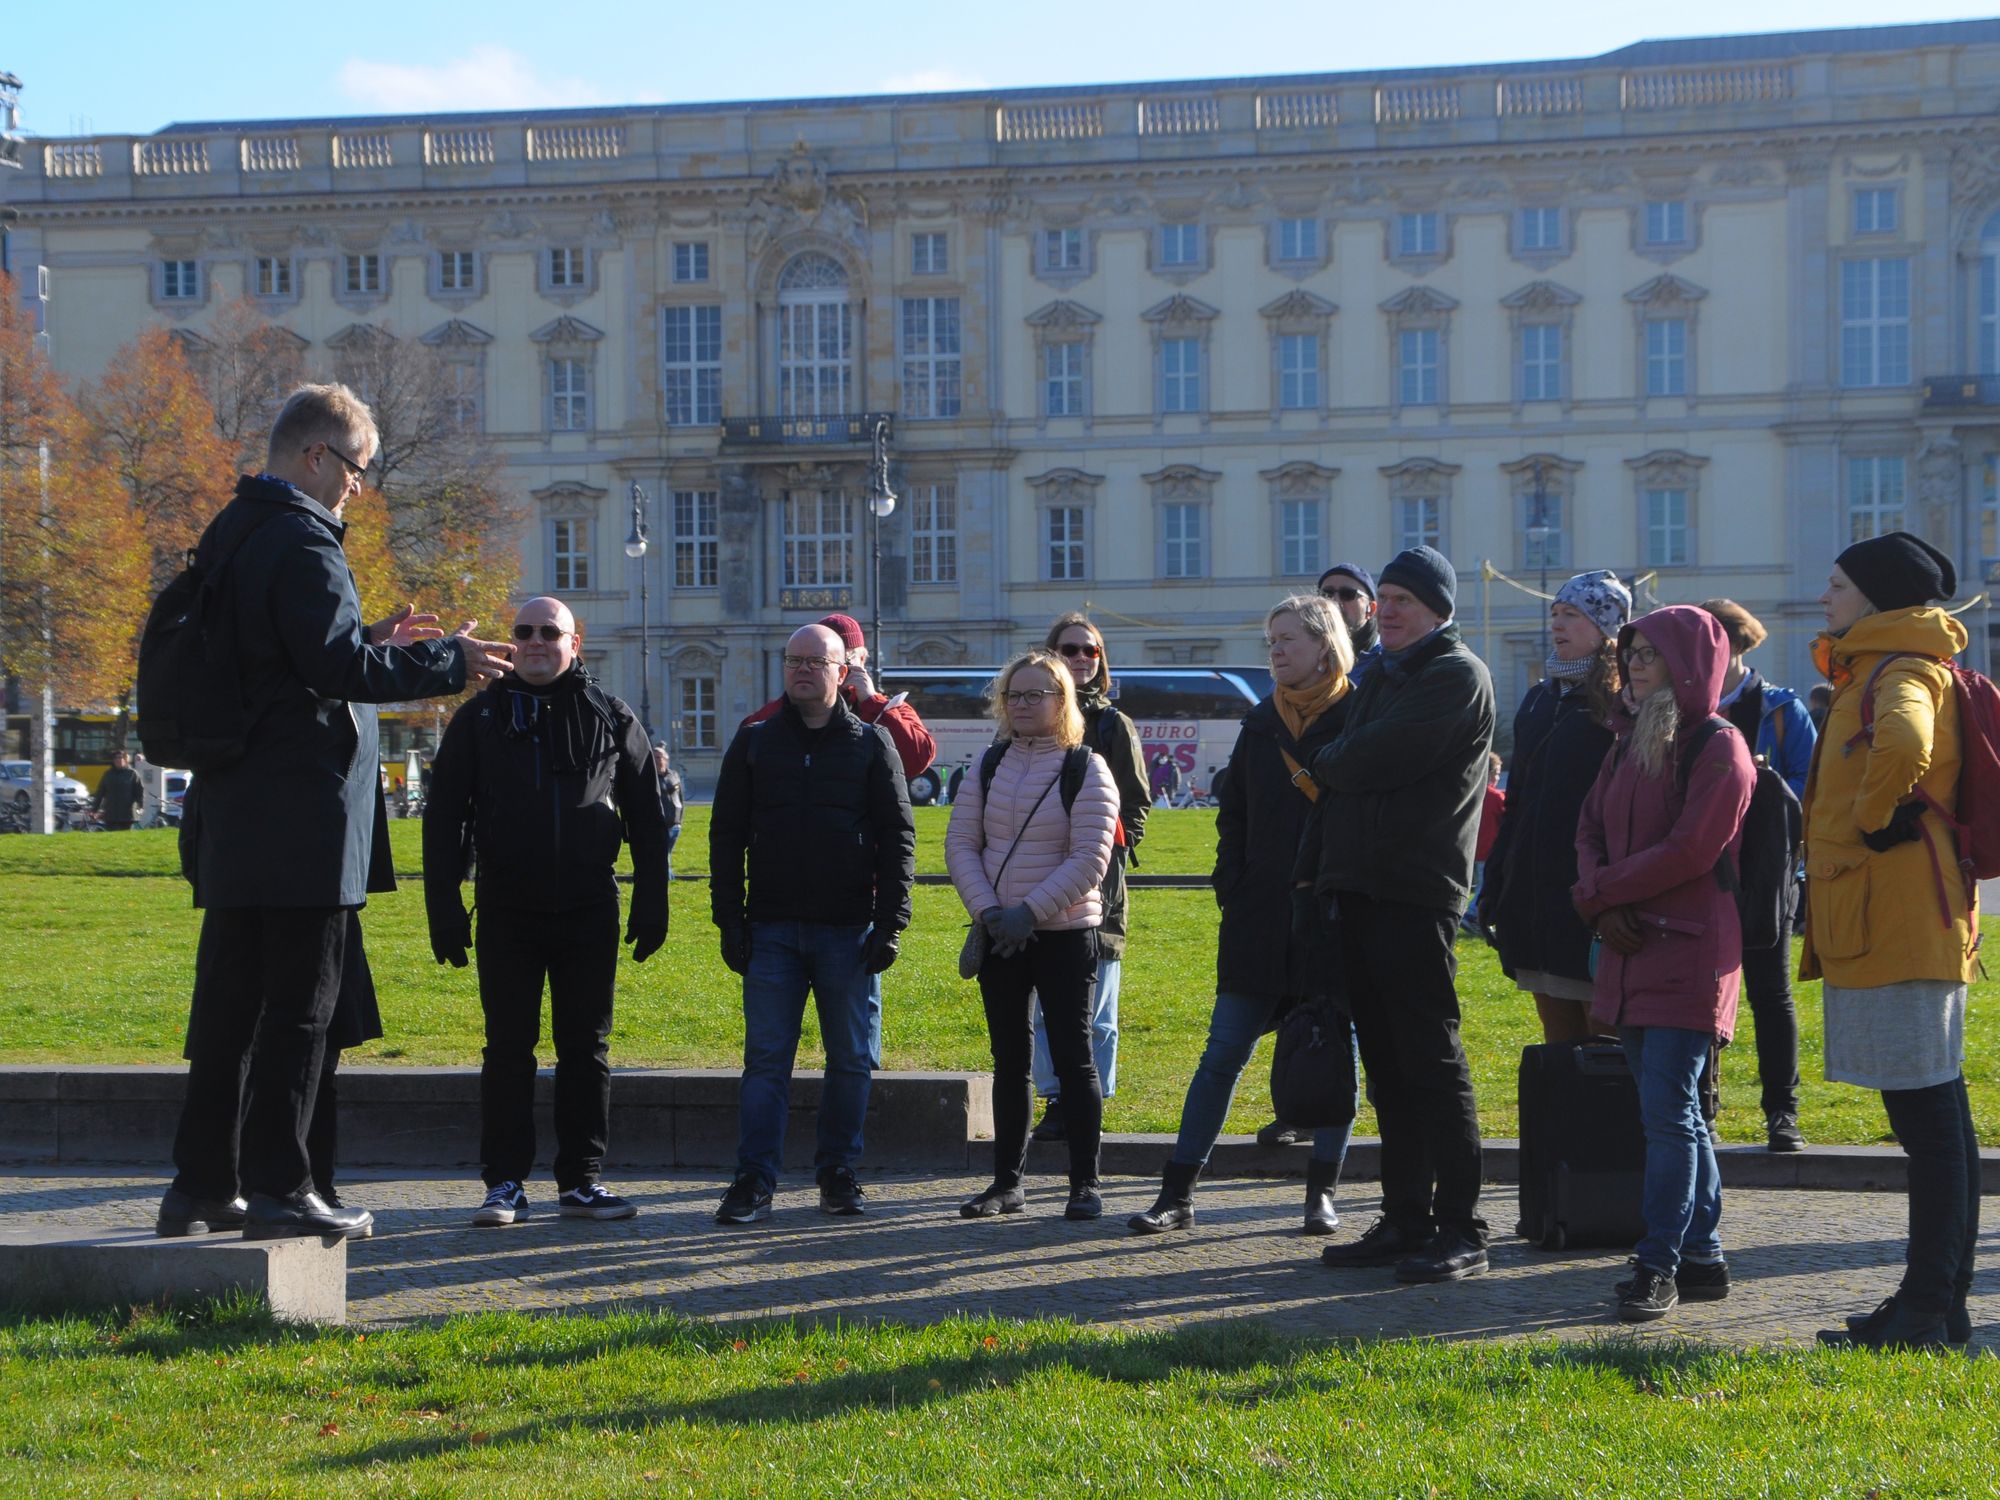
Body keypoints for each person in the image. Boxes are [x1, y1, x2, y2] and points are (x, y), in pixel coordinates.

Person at [156, 382, 511, 1243]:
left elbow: (288, 660)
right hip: (302, 821)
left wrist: (366, 646)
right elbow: (331, 670)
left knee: (228, 1011)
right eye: (355, 469)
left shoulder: (232, 530)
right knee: (301, 1010)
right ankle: (282, 1187)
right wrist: (441, 661)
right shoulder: (302, 539)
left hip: (238, 815)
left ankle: (202, 1185)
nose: (358, 487)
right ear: (316, 456)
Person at [424, 595, 669, 1227]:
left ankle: (581, 1180)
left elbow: (647, 815)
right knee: (508, 1048)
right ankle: (504, 1182)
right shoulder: (478, 719)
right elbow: (445, 818)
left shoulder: (611, 716)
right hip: (507, 907)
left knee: (586, 1048)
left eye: (549, 632)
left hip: (589, 906)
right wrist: (444, 906)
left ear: (574, 643)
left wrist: (652, 897)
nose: (535, 642)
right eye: (524, 632)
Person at [1802, 533, 1982, 1351]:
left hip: (1902, 917)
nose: (1828, 596)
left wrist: (1875, 818)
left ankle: (1927, 1308)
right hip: (1912, 918)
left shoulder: (1896, 668)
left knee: (1932, 1127)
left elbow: (1903, 744)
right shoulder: (1888, 661)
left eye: (1839, 585)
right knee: (1940, 1121)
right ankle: (1935, 1304)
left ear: (1875, 598)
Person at [1130, 597, 1357, 1237]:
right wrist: (1234, 882)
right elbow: (1236, 817)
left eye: (1287, 639)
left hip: (1332, 916)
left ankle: (1321, 1194)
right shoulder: (1260, 723)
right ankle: (1177, 1193)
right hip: (1258, 916)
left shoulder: (1361, 717)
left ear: (1324, 644)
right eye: (1271, 641)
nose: (1276, 651)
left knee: (1333, 1052)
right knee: (1222, 1052)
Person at [1308, 545, 1497, 1284]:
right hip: (1360, 885)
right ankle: (1404, 1217)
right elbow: (1328, 745)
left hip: (1417, 890)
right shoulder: (1383, 672)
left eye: (1402, 601)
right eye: (1381, 598)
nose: (1384, 611)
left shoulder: (1455, 674)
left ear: (1438, 611)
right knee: (1387, 1067)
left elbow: (1357, 760)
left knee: (1431, 1061)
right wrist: (1338, 755)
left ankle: (1462, 1227)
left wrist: (1337, 758)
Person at [1575, 606, 1755, 1322]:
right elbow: (1589, 827)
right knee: (1678, 1115)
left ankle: (1659, 1264)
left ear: (1688, 662)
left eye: (1652, 652)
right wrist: (1600, 901)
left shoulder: (1719, 747)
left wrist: (1599, 894)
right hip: (1631, 947)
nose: (1636, 662)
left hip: (1689, 952)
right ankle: (1703, 1254)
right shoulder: (1624, 743)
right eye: (1632, 651)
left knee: (1669, 1116)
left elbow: (1690, 850)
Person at [709, 623, 916, 1224]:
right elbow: (725, 839)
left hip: (847, 930)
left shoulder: (871, 745)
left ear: (842, 672)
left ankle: (837, 1172)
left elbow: (898, 839)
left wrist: (890, 924)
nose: (803, 670)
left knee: (851, 1058)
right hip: (770, 928)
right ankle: (753, 1179)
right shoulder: (754, 742)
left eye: (816, 661)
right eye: (793, 660)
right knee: (766, 1060)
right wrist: (730, 921)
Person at [947, 651, 1118, 1218]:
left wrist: (1029, 911)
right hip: (1000, 933)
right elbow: (961, 844)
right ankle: (1006, 1184)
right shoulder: (988, 764)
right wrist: (992, 911)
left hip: (1066, 934)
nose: (1022, 705)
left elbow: (1090, 858)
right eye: (1013, 695)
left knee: (1074, 1059)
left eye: (1035, 695)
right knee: (1009, 1060)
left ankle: (1084, 1184)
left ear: (1061, 701)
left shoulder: (1086, 767)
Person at [1479, 570, 1632, 1044]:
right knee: (1559, 1042)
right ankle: (1571, 1119)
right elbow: (1519, 798)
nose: (1558, 625)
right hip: (1534, 895)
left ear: (1607, 628)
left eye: (1573, 615)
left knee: (1605, 1040)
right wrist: (1498, 883)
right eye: (1556, 614)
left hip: (1589, 894)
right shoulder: (1538, 700)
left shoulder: (1625, 703)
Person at [1702, 597, 1818, 1153]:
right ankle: (1702, 1109)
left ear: (1735, 646)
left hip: (1768, 872)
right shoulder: (1681, 706)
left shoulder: (1780, 709)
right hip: (1702, 871)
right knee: (1698, 995)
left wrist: (1763, 785)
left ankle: (1783, 1114)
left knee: (1770, 995)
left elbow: (1808, 786)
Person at [1029, 613, 1148, 1142]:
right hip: (1033, 882)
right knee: (1043, 1006)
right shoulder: (1028, 723)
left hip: (1099, 887)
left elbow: (1137, 805)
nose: (1081, 659)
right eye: (1070, 649)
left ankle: (1089, 1100)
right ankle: (1055, 1098)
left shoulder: (1112, 726)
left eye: (1091, 652)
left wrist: (1107, 855)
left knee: (1097, 1004)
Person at [738, 612, 936, 782]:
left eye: (846, 661)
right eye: (819, 660)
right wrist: (797, 698)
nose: (837, 670)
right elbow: (745, 748)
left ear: (862, 660)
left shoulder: (890, 709)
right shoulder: (781, 710)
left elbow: (916, 762)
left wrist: (871, 702)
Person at [1318, 562, 1382, 684]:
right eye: (1326, 594)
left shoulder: (1388, 662)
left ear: (1371, 609)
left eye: (1347, 594)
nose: (1335, 601)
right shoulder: (1304, 658)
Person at [654, 741, 685, 878]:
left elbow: (680, 798)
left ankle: (667, 876)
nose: (658, 760)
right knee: (663, 853)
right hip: (660, 824)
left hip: (675, 824)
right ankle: (666, 878)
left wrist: (680, 819)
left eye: (660, 757)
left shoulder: (673, 775)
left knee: (667, 852)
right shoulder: (650, 778)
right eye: (655, 757)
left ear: (666, 759)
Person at [95, 751, 143, 831]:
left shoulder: (132, 774)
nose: (119, 760)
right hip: (111, 813)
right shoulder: (108, 774)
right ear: (113, 761)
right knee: (111, 837)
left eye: (121, 758)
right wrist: (94, 809)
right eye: (117, 758)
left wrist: (140, 806)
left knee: (125, 836)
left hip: (127, 813)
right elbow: (100, 792)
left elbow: (139, 792)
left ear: (126, 760)